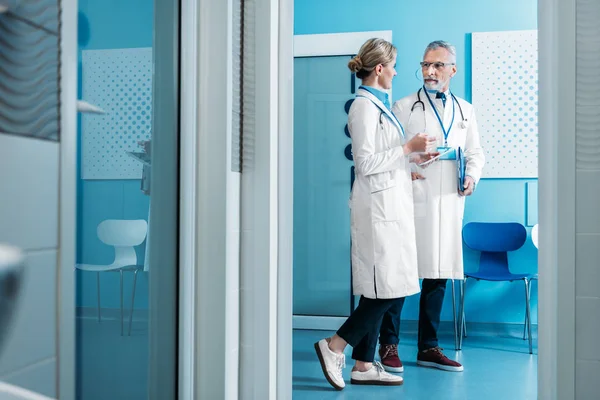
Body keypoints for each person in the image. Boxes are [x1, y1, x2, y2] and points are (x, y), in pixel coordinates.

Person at [314, 38, 438, 390]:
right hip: (377, 211)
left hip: (392, 206)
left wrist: (413, 160)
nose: (397, 72)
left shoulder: (378, 106)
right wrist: (406, 148)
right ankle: (334, 345)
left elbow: (386, 157)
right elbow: (365, 163)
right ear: (380, 68)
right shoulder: (363, 108)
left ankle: (364, 364)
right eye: (394, 65)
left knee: (390, 285)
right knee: (386, 287)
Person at [377, 40, 486, 373]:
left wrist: (473, 178)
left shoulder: (466, 110)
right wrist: (412, 164)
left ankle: (428, 346)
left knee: (437, 274)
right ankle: (389, 344)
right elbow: (391, 152)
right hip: (414, 196)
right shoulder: (403, 106)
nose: (430, 71)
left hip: (448, 201)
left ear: (452, 69)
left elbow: (475, 152)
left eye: (438, 65)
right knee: (402, 271)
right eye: (426, 65)